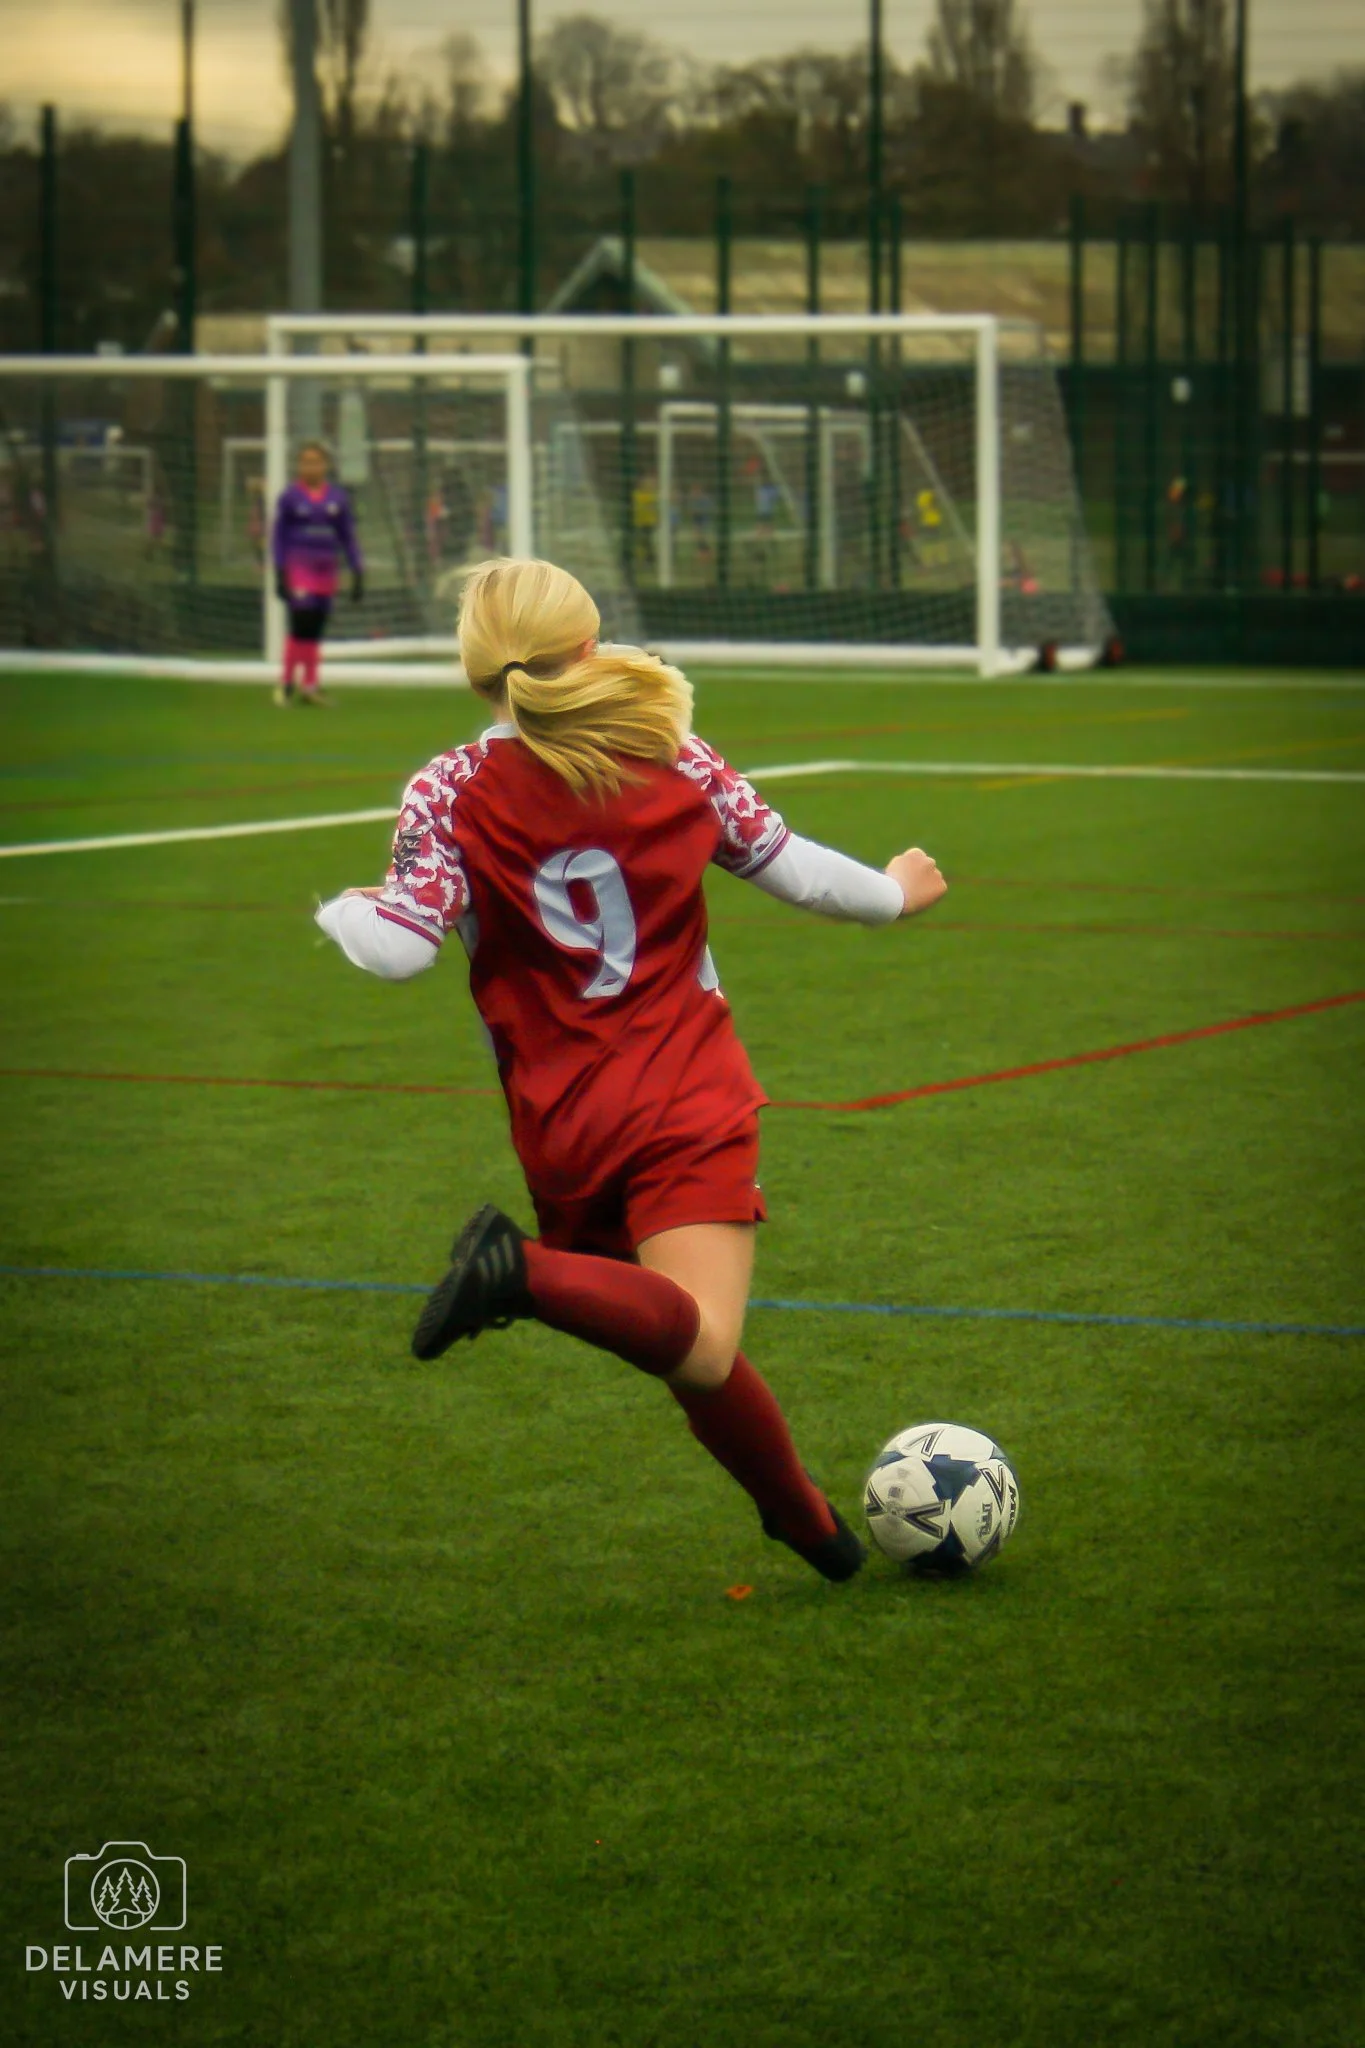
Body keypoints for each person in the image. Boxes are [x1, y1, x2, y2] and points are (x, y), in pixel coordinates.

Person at [315, 557, 947, 1583]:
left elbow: (397, 948)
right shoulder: (667, 751)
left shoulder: (448, 788)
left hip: (561, 1119)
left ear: (478, 672)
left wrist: (346, 907)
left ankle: (807, 1522)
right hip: (682, 1091)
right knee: (696, 1339)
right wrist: (897, 891)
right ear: (591, 644)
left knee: (686, 1347)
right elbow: (799, 870)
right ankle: (513, 1271)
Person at [271, 441, 363, 706]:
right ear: (299, 466)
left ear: (325, 465)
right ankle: (287, 684)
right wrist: (279, 570)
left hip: (326, 572)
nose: (311, 467)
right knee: (300, 623)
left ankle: (309, 686)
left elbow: (347, 537)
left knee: (315, 629)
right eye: (306, 462)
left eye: (316, 461)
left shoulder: (337, 498)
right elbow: (279, 537)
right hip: (299, 569)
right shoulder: (290, 497)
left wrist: (357, 570)